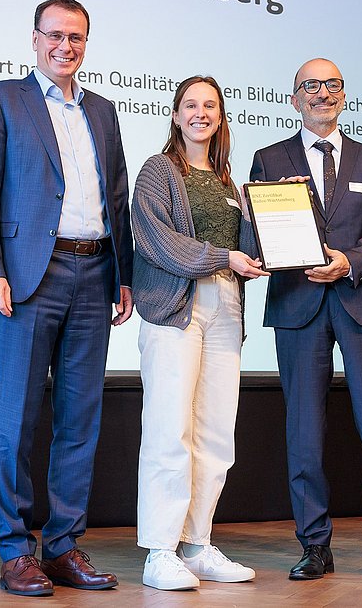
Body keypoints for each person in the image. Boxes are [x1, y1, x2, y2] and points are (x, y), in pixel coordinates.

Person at [0, 0, 133, 598]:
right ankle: (16, 551)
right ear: (34, 39)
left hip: (94, 275)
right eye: (56, 35)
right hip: (29, 277)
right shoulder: (1, 99)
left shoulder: (104, 111)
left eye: (77, 38)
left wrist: (124, 275)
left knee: (79, 421)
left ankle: (62, 547)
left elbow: (117, 201)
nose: (66, 46)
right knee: (15, 419)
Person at [250, 58, 362, 584]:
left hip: (361, 300)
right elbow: (254, 235)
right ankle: (314, 544)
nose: (323, 93)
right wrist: (281, 220)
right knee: (304, 430)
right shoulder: (269, 158)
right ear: (294, 98)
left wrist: (350, 261)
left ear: (343, 94)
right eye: (311, 86)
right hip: (298, 305)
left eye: (332, 85)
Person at [130, 75, 268, 591]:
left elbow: (250, 245)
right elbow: (156, 241)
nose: (200, 113)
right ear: (175, 114)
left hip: (227, 307)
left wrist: (270, 243)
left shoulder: (231, 183)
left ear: (221, 116)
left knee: (215, 434)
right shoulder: (158, 171)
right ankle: (160, 551)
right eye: (190, 105)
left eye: (210, 105)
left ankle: (199, 543)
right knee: (170, 431)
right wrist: (222, 256)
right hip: (175, 310)